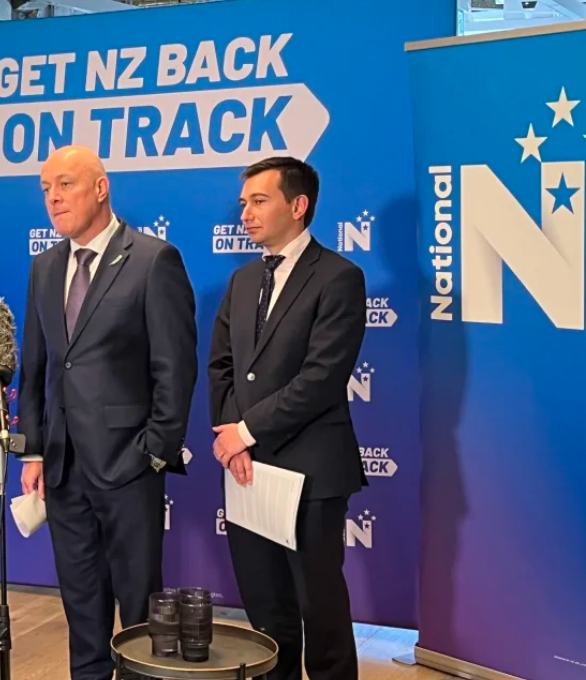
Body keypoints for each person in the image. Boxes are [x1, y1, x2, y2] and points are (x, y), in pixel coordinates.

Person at [17, 145, 198, 680]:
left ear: (100, 188)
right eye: (45, 189)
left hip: (129, 463)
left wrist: (154, 451)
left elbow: (175, 368)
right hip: (63, 465)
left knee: (140, 605)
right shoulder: (45, 266)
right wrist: (33, 449)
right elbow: (36, 365)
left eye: (65, 184)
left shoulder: (152, 260)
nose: (53, 198)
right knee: (81, 602)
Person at [208, 156, 367, 680]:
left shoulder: (339, 277)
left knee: (320, 612)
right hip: (247, 469)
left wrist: (245, 431)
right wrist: (232, 438)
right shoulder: (242, 280)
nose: (245, 214)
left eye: (259, 201)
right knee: (266, 614)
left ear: (298, 206)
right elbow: (222, 366)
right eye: (244, 203)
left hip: (311, 474)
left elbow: (321, 378)